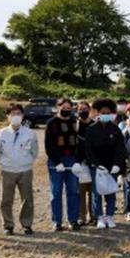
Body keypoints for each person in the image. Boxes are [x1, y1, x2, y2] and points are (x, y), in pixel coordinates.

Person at [0, 103, 38, 235]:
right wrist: (5, 162)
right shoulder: (0, 134)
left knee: (27, 199)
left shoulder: (30, 133)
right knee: (6, 199)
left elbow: (35, 151)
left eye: (18, 114)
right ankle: (8, 225)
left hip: (25, 170)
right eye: (12, 114)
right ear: (7, 116)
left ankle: (27, 224)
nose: (16, 117)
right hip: (7, 171)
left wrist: (27, 162)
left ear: (23, 116)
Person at [84, 99, 128, 229]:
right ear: (97, 113)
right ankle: (99, 217)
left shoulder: (115, 129)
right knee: (97, 193)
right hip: (97, 167)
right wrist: (96, 164)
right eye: (103, 112)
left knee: (111, 192)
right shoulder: (91, 130)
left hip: (112, 167)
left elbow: (121, 148)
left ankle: (109, 216)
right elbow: (88, 149)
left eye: (108, 112)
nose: (105, 114)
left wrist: (117, 165)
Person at [44, 97, 81, 231]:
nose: (66, 111)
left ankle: (73, 220)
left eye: (69, 109)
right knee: (56, 191)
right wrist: (57, 161)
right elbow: (48, 146)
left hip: (72, 159)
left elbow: (80, 143)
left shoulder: (75, 122)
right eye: (63, 108)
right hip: (56, 160)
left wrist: (77, 161)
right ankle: (57, 221)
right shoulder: (51, 123)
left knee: (73, 191)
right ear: (58, 107)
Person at [75, 101, 95, 225]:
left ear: (90, 110)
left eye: (85, 108)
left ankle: (92, 215)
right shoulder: (74, 125)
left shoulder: (94, 125)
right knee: (80, 192)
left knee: (93, 192)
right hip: (79, 163)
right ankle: (81, 216)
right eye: (80, 109)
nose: (83, 111)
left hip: (92, 163)